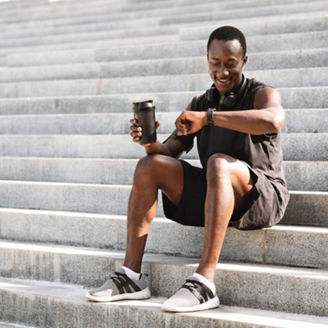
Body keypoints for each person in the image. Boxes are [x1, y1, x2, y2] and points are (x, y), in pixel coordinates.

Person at [86, 25, 290, 313]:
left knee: (218, 163)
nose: (222, 71)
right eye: (215, 63)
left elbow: (272, 120)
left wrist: (209, 118)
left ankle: (204, 283)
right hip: (217, 192)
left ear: (244, 61)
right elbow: (166, 154)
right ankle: (131, 277)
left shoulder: (260, 94)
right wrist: (148, 140)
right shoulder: (201, 102)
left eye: (231, 64)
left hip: (262, 196)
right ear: (207, 60)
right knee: (149, 165)